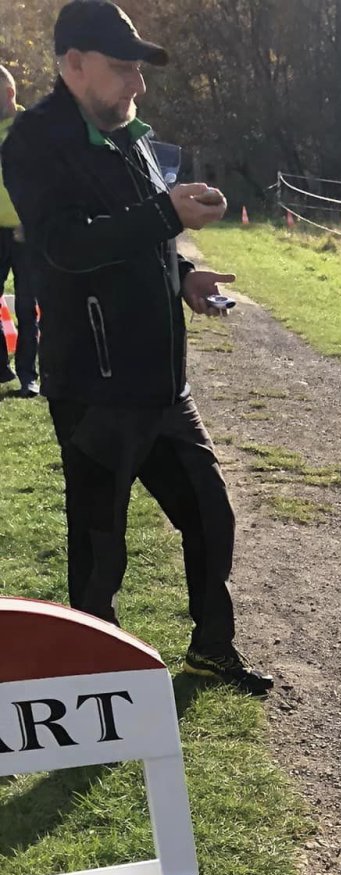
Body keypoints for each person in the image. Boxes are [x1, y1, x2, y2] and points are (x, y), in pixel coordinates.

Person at [1, 0, 272, 694]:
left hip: (162, 385)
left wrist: (183, 274)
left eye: (139, 71)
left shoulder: (128, 134)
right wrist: (164, 212)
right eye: (123, 68)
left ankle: (211, 649)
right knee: (100, 549)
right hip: (94, 387)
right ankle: (93, 681)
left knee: (209, 516)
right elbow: (65, 244)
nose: (138, 84)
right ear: (74, 64)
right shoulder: (34, 140)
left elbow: (142, 233)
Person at [0, 66, 39, 397]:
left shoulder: (31, 129)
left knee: (27, 306)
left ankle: (29, 376)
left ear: (10, 93)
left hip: (27, 231)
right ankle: (1, 367)